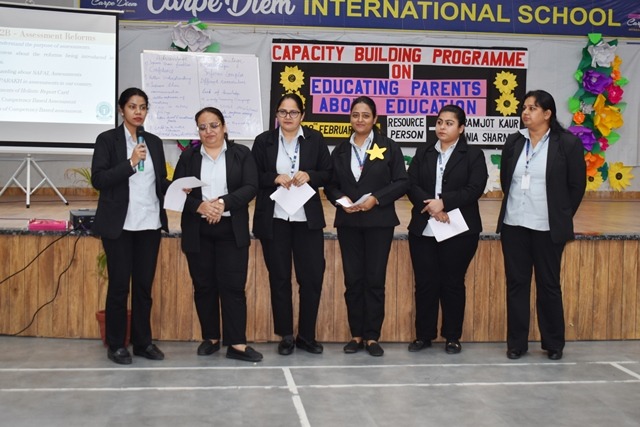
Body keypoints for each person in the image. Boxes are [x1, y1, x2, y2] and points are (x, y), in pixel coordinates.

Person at [496, 90, 586, 361]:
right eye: (524, 107)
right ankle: (517, 344)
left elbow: (576, 186)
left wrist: (561, 215)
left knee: (548, 285)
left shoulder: (567, 143)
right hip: (514, 223)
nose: (526, 112)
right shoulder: (514, 141)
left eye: (532, 108)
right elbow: (506, 180)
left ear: (547, 114)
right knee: (517, 284)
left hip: (547, 226)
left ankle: (554, 343)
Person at [173, 107, 262, 363]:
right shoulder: (189, 156)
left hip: (231, 229)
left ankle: (237, 344)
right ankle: (211, 338)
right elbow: (176, 190)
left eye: (213, 125)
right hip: (198, 229)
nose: (208, 131)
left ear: (224, 127)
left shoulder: (241, 154)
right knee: (204, 286)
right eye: (202, 127)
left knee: (233, 287)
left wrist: (222, 203)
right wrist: (200, 206)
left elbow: (251, 186)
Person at [324, 96, 409, 357]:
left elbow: (402, 182)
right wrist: (341, 200)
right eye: (355, 115)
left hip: (379, 223)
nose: (359, 120)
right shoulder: (340, 150)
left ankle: (372, 336)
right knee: (353, 280)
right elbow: (330, 185)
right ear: (350, 118)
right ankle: (356, 335)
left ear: (375, 119)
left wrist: (376, 199)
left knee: (374, 280)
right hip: (349, 222)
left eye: (365, 115)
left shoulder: (389, 146)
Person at [91, 87, 170, 365]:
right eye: (132, 107)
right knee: (119, 287)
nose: (138, 112)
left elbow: (159, 181)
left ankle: (143, 342)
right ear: (121, 110)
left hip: (149, 222)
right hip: (120, 225)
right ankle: (116, 344)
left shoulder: (154, 142)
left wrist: (179, 188)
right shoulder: (107, 140)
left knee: (144, 288)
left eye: (143, 107)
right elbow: (99, 179)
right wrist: (130, 162)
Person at [252, 94, 332, 356]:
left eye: (293, 112)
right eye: (283, 112)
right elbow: (253, 176)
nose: (288, 117)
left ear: (302, 115)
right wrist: (274, 177)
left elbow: (328, 173)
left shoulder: (315, 140)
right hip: (275, 219)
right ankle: (285, 336)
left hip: (306, 221)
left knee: (311, 279)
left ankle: (307, 336)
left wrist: (311, 175)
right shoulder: (263, 141)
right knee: (279, 279)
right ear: (276, 115)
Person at [406, 105, 487, 354]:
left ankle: (452, 336)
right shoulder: (424, 151)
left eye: (449, 123)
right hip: (425, 227)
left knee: (452, 283)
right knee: (425, 283)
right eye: (440, 122)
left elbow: (475, 188)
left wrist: (444, 203)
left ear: (461, 128)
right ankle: (424, 335)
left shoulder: (473, 155)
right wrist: (432, 208)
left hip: (458, 229)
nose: (442, 127)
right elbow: (411, 184)